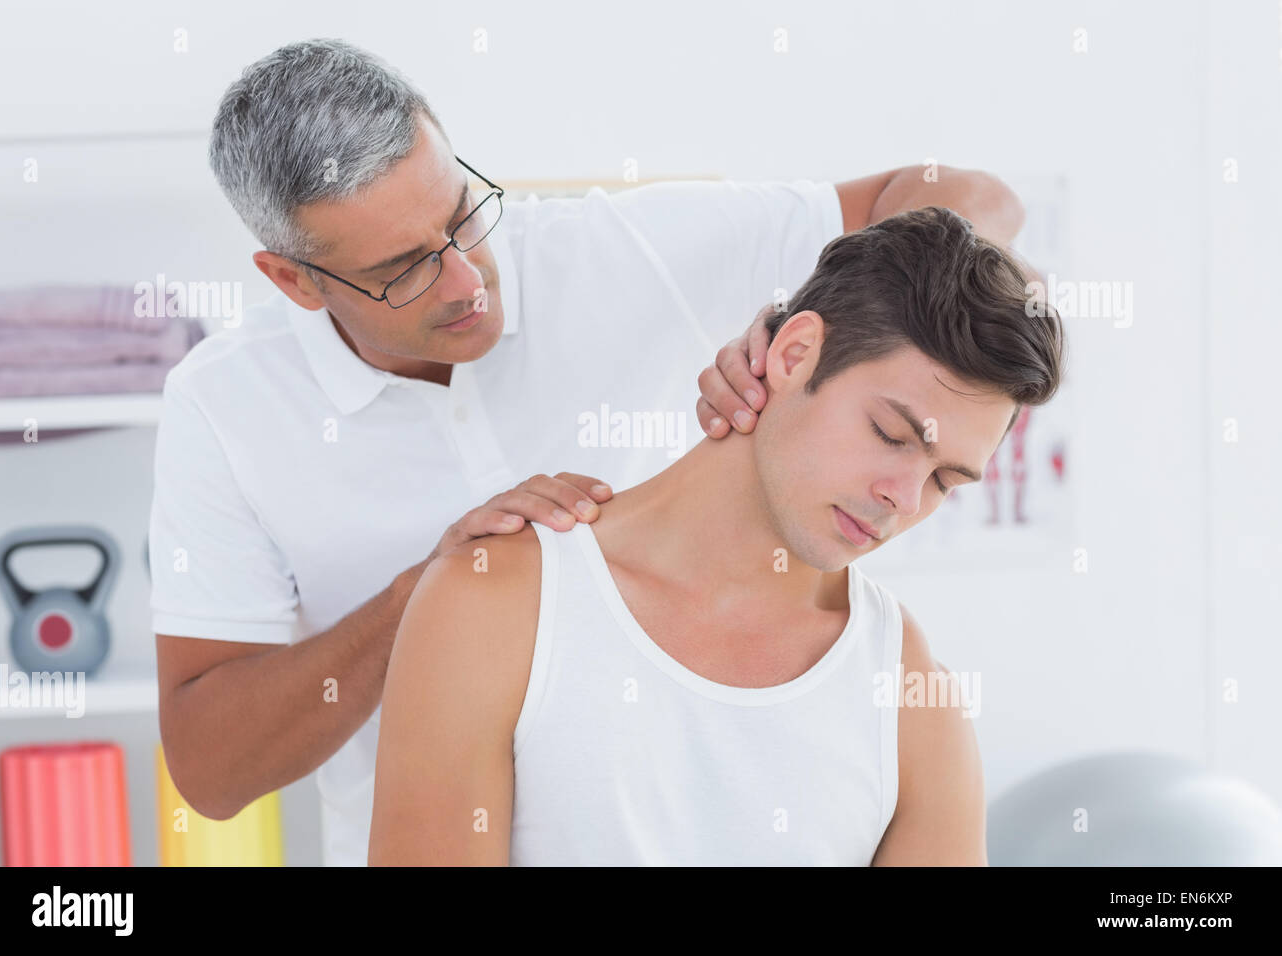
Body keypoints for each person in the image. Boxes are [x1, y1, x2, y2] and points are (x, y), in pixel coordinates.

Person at [150, 38, 1030, 866]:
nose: (467, 279)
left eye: (463, 215)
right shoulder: (225, 407)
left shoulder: (621, 252)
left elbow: (973, 196)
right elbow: (212, 772)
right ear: (293, 279)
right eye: (404, 268)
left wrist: (795, 324)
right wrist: (415, 600)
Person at [368, 206, 1066, 865]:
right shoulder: (496, 606)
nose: (904, 499)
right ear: (794, 355)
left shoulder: (913, 703)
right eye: (891, 435)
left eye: (945, 480)